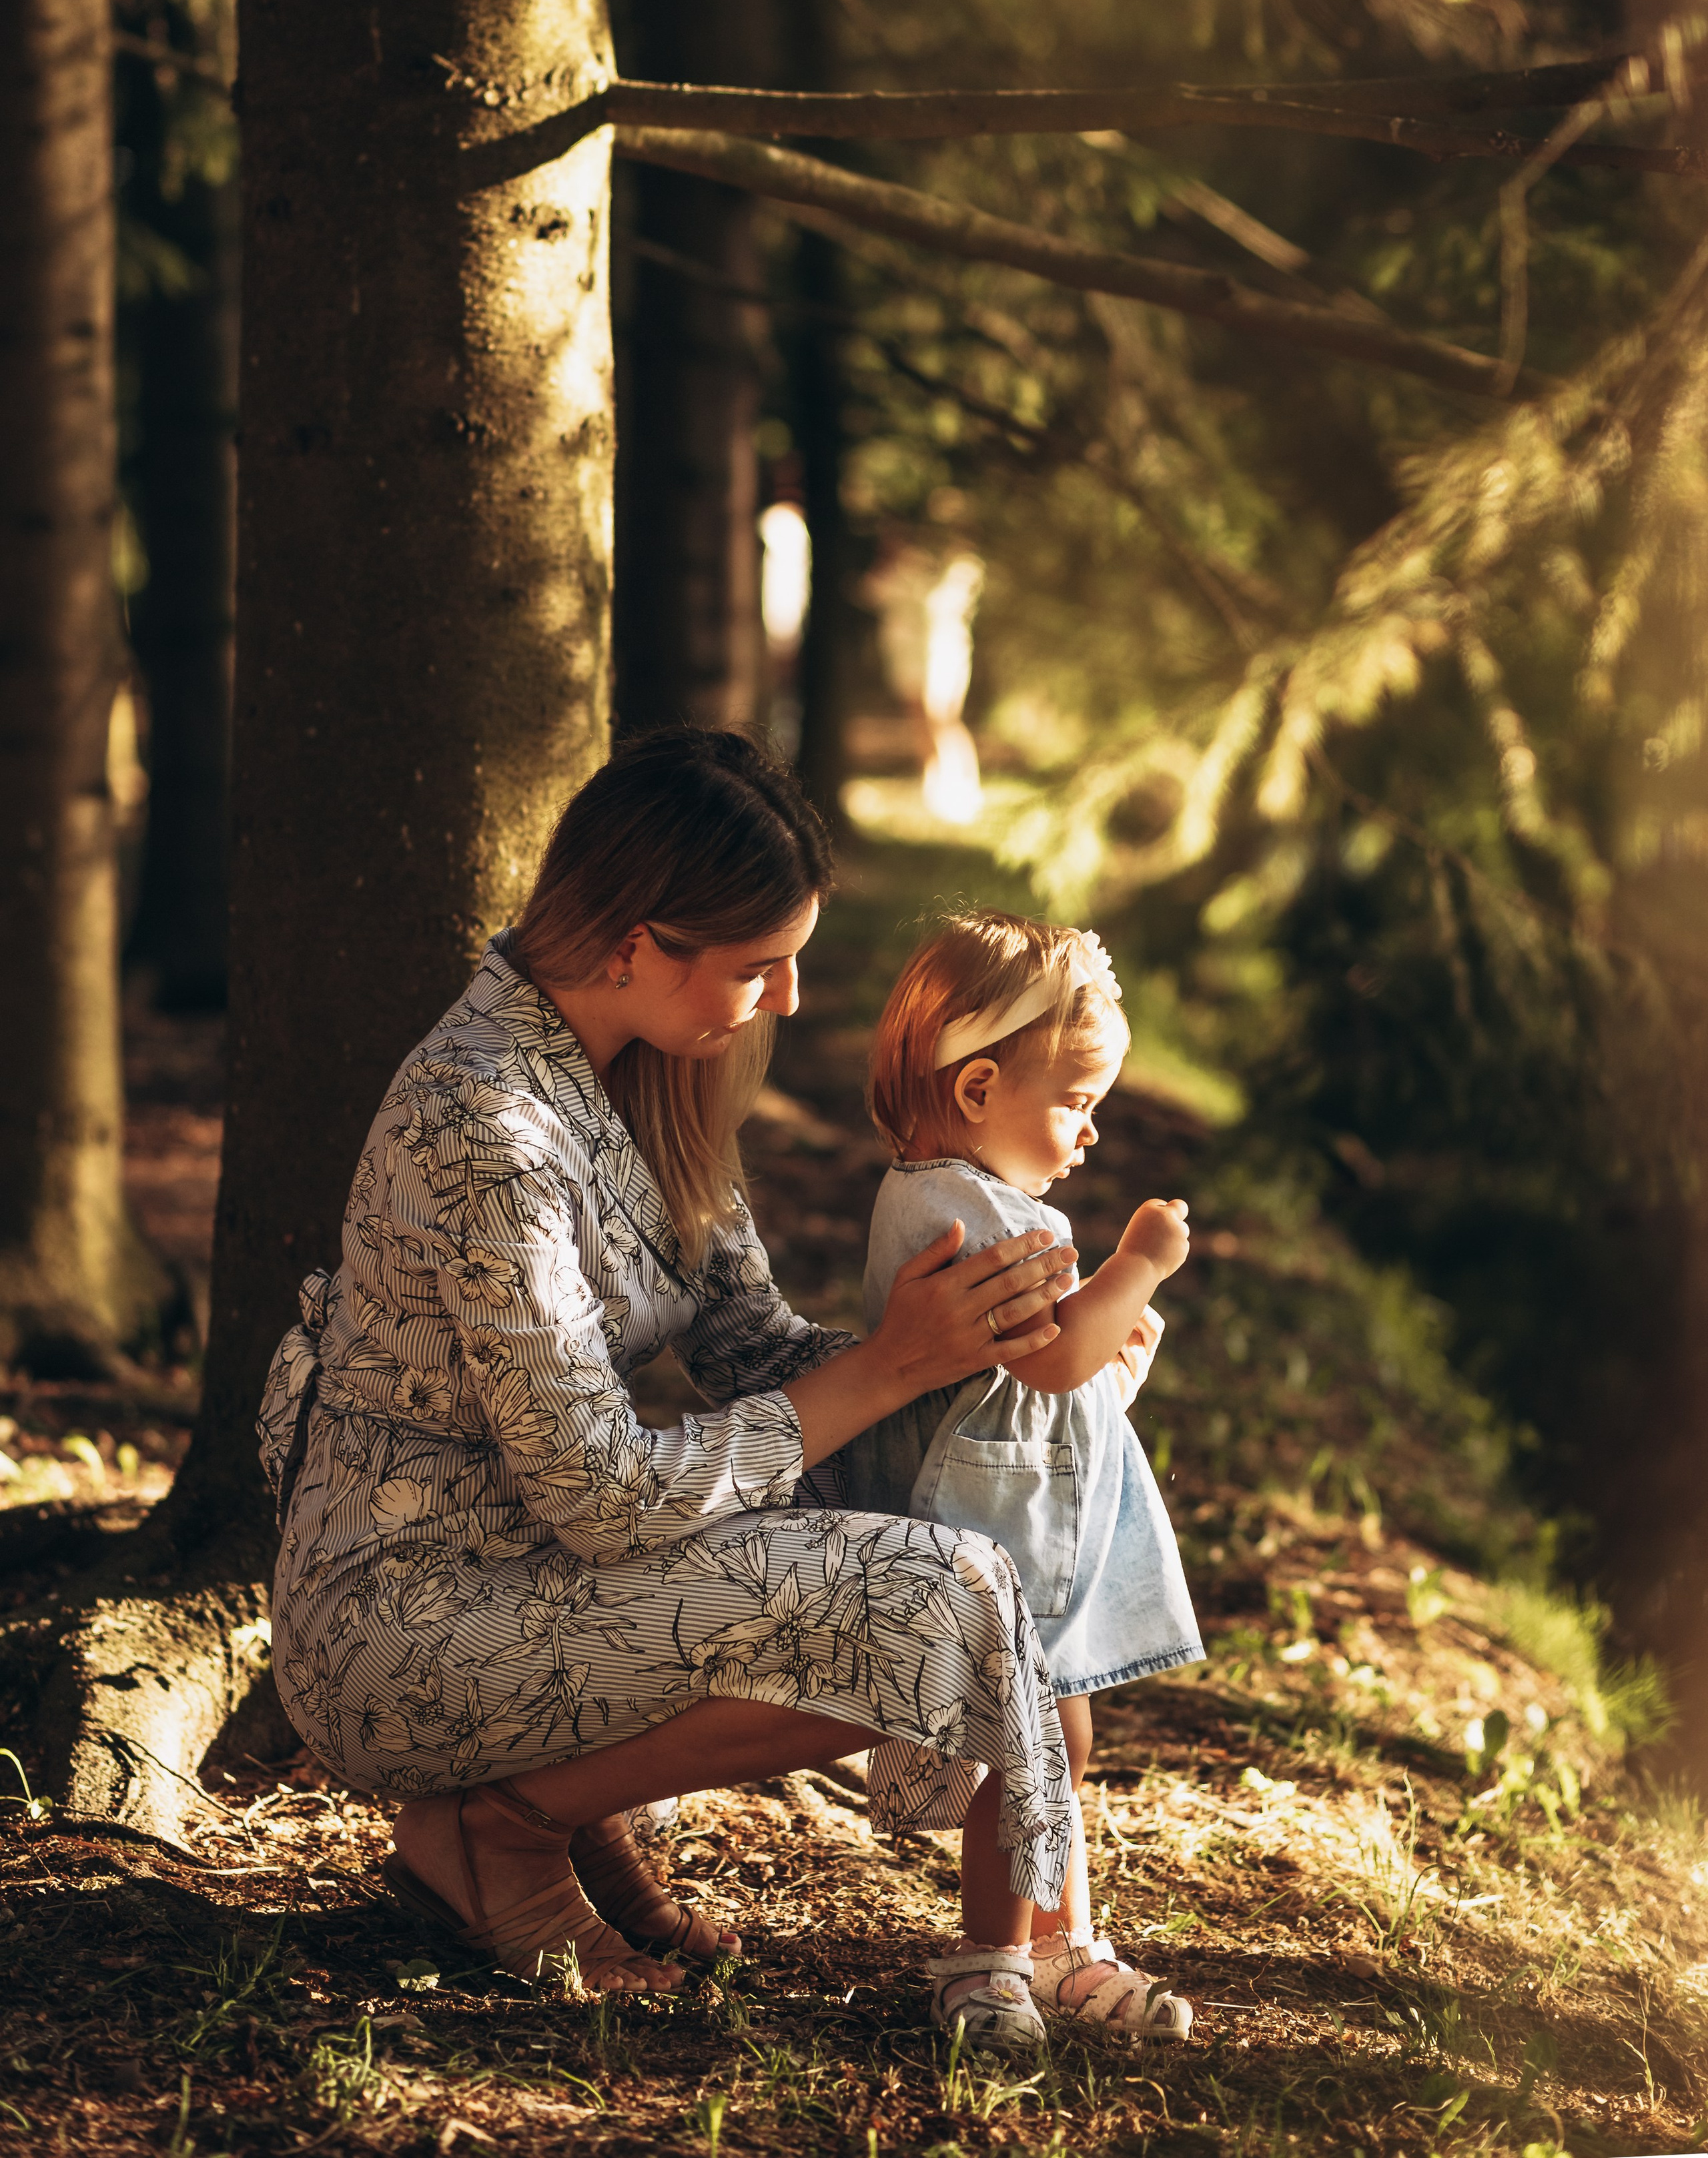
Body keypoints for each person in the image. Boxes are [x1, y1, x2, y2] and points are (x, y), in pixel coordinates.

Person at [257, 730, 1080, 2001]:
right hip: (406, 1614)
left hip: (545, 1570)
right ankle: (495, 1829)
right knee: (938, 1593)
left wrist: (971, 1355)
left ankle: (562, 1805)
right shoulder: (486, 1122)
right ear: (635, 944)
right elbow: (604, 1493)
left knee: (963, 1531)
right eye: (763, 965)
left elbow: (750, 1350)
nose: (794, 998)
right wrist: (882, 1374)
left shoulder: (649, 1074)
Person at [843, 911, 1203, 2047]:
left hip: (1025, 1532)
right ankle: (990, 1955)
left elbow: (1035, 1383)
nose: (1090, 1133)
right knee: (1027, 1745)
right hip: (980, 1544)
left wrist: (1112, 1370)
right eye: (1077, 1101)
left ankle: (1060, 1942)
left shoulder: (980, 1198)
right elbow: (1049, 1351)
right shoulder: (948, 1208)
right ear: (981, 1086)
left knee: (1062, 1745)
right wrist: (1137, 1264)